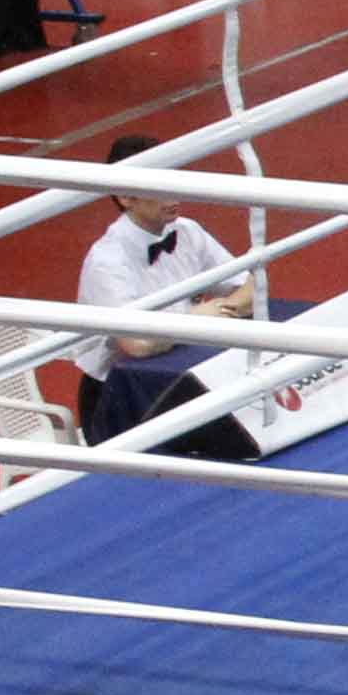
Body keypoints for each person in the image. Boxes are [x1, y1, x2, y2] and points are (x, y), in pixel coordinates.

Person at [67, 133, 263, 458]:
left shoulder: (187, 230)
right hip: (120, 397)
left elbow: (254, 286)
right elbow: (138, 345)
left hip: (185, 372)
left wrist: (220, 309)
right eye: (159, 186)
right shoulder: (106, 261)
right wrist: (196, 319)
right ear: (126, 196)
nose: (172, 195)